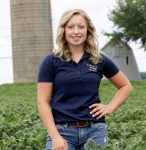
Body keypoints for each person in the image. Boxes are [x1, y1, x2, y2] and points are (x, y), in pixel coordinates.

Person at [37, 9, 132, 150]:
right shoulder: (51, 61)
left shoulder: (99, 59)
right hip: (62, 131)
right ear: (63, 30)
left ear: (88, 30)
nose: (76, 31)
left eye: (81, 27)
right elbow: (42, 102)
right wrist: (55, 137)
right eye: (71, 27)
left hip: (95, 131)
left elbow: (126, 86)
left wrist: (110, 107)